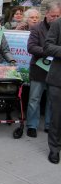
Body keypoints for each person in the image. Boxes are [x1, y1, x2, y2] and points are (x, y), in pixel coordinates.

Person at [26, 1, 61, 138]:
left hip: (54, 71)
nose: (56, 18)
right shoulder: (37, 28)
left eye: (58, 15)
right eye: (53, 15)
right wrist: (49, 51)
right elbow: (31, 47)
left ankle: (48, 125)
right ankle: (32, 125)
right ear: (46, 14)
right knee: (34, 99)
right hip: (39, 69)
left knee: (52, 100)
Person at [43, 17, 61, 164]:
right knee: (57, 117)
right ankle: (54, 149)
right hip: (58, 79)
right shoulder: (57, 23)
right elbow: (48, 47)